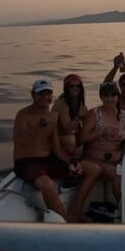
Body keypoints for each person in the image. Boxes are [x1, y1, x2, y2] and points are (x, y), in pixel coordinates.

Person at [13, 79, 100, 222]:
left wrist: (72, 161)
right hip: (27, 162)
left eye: (48, 94)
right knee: (47, 185)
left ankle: (76, 211)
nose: (45, 97)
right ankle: (65, 221)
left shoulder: (52, 117)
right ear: (32, 95)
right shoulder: (23, 115)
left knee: (93, 169)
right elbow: (19, 143)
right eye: (41, 94)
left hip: (48, 161)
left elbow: (57, 148)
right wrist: (39, 127)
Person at [80, 82, 125, 202]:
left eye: (113, 95)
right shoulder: (94, 114)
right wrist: (102, 132)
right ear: (101, 97)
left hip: (117, 160)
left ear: (118, 96)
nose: (110, 99)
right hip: (96, 160)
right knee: (118, 175)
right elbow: (82, 139)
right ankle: (122, 208)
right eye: (106, 96)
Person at [51, 73, 88, 156]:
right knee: (71, 140)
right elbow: (68, 130)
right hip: (56, 138)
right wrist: (79, 116)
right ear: (66, 88)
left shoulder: (80, 104)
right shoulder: (62, 104)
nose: (75, 88)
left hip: (69, 135)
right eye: (71, 86)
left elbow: (86, 125)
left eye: (78, 86)